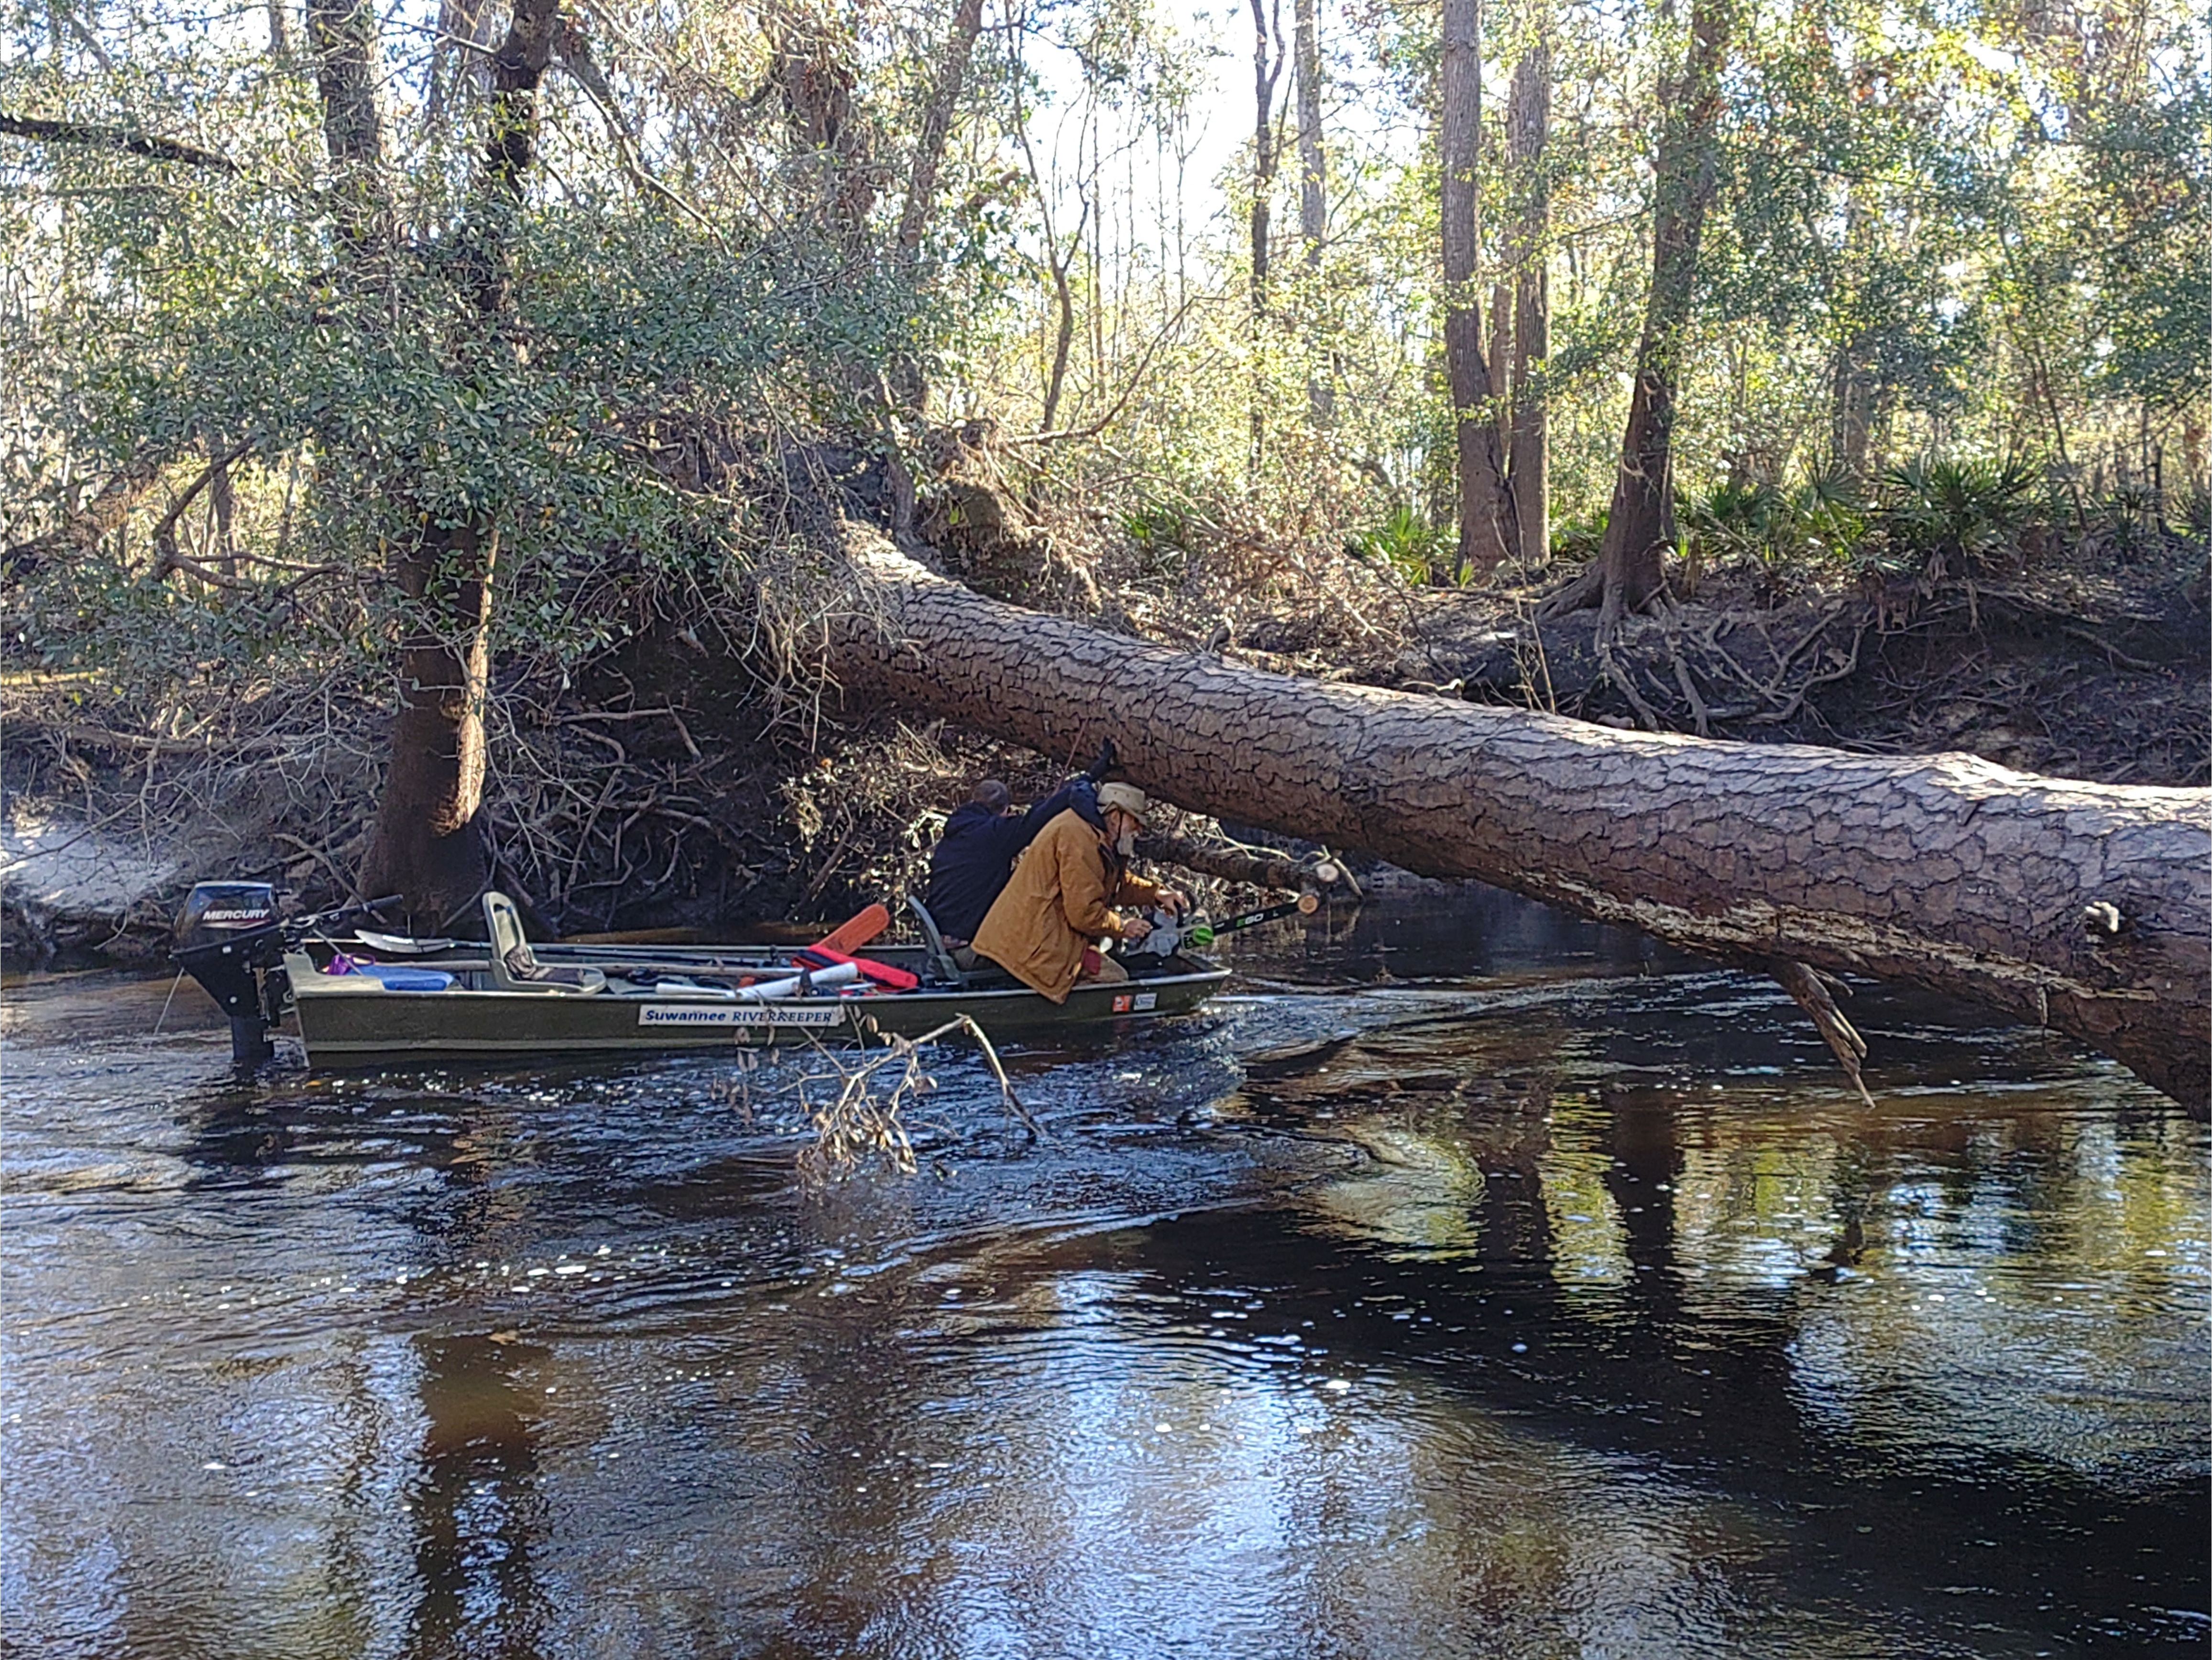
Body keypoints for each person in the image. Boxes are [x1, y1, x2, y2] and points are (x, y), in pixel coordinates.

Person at [971, 781, 1189, 1003]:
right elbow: (1083, 913)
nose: (1138, 830)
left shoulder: (1091, 831)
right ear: (1116, 816)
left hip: (1038, 935)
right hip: (1036, 944)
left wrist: (1156, 894)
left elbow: (1111, 884)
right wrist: (1123, 927)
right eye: (1135, 821)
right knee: (1116, 978)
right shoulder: (1079, 839)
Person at [923, 744, 1114, 943]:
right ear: (1005, 810)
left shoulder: (954, 833)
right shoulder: (994, 835)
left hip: (940, 937)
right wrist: (1091, 776)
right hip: (967, 941)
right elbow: (1039, 817)